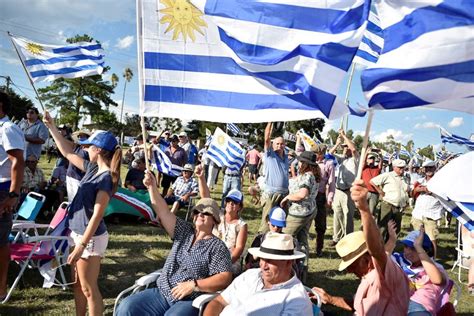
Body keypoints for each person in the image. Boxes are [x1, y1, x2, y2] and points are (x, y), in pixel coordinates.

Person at [116, 171, 233, 316]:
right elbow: (163, 211)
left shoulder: (217, 247)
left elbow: (225, 277)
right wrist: (152, 187)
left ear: (215, 220)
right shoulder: (184, 231)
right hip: (162, 292)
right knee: (126, 307)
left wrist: (194, 285)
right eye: (197, 212)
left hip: (188, 299)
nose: (200, 215)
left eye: (206, 213)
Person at [44, 112, 121, 316]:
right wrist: (52, 127)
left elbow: (97, 216)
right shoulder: (92, 169)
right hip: (78, 232)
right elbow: (68, 153)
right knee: (77, 285)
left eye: (88, 146)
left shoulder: (105, 178)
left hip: (90, 238)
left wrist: (81, 245)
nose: (84, 148)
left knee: (89, 288)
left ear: (98, 149)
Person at [312, 179, 410, 315]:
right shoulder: (369, 275)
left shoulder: (384, 273)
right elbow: (361, 306)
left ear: (367, 259)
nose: (349, 270)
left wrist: (364, 209)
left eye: (352, 264)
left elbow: (377, 250)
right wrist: (330, 299)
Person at [203, 233, 312, 315]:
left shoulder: (297, 300)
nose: (263, 266)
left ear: (288, 262)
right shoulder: (250, 275)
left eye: (270, 261)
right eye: (262, 259)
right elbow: (219, 302)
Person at [386, 223, 448, 315]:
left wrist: (418, 247)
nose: (408, 251)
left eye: (413, 248)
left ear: (425, 250)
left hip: (419, 305)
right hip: (394, 303)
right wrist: (392, 240)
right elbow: (381, 260)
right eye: (406, 247)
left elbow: (438, 280)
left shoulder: (433, 266)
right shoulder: (399, 259)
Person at [0, 91, 25, 301]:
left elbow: (17, 161)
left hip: (3, 190)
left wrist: (13, 194)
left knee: (0, 242)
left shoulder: (8, 128)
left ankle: (0, 288)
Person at [281, 151, 320, 256]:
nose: (298, 163)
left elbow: (303, 194)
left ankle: (284, 262)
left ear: (305, 163)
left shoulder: (307, 176)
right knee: (302, 239)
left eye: (300, 161)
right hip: (311, 210)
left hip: (299, 212)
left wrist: (288, 197)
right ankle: (303, 266)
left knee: (285, 236)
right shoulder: (314, 175)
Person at [329, 129, 359, 246]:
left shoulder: (356, 159)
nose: (345, 148)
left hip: (349, 192)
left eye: (346, 146)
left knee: (348, 216)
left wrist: (344, 136)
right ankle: (336, 238)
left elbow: (354, 149)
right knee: (337, 214)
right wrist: (337, 143)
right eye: (344, 147)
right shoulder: (342, 159)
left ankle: (348, 239)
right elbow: (330, 154)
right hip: (339, 191)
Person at [258, 122, 289, 233]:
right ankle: (262, 240)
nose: (279, 146)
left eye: (281, 144)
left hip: (284, 195)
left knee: (281, 221)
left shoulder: (286, 157)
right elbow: (266, 138)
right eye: (277, 144)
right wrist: (270, 122)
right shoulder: (270, 155)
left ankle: (277, 244)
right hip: (271, 194)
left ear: (284, 145)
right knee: (267, 222)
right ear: (273, 144)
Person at [410, 160, 444, 258]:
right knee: (416, 237)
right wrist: (416, 190)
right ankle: (416, 258)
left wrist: (432, 191)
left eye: (431, 167)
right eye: (427, 168)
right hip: (418, 213)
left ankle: (433, 260)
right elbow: (411, 195)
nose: (429, 170)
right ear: (424, 169)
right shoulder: (419, 181)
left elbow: (445, 196)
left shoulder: (440, 181)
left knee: (431, 238)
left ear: (435, 168)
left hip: (432, 214)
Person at [370, 158, 410, 240]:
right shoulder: (388, 175)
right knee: (382, 227)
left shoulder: (405, 178)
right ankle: (379, 247)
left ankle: (390, 248)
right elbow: (372, 181)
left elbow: (405, 191)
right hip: (387, 205)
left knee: (395, 229)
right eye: (400, 168)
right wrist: (380, 191)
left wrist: (406, 202)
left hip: (399, 207)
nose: (402, 170)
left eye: (403, 168)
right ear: (394, 167)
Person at [214, 189, 248, 275]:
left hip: (230, 259)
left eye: (235, 202)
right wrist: (201, 178)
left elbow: (239, 248)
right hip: (212, 253)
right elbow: (206, 197)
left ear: (240, 207)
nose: (230, 203)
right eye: (228, 201)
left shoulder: (241, 225)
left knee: (224, 273)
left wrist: (225, 263)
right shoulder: (218, 215)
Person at [313, 143, 335, 256]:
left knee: (320, 225)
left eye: (317, 153)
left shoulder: (329, 164)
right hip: (309, 195)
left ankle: (319, 248)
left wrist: (329, 198)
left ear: (322, 153)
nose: (315, 155)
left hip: (321, 196)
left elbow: (331, 182)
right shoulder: (310, 161)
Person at [67, 129, 91, 202]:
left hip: (79, 178)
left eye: (82, 136)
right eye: (79, 136)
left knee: (76, 200)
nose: (80, 138)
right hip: (70, 175)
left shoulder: (89, 150)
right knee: (70, 199)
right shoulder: (77, 147)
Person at [361, 150, 383, 218]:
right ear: (367, 159)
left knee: (371, 212)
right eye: (370, 158)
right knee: (363, 210)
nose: (372, 160)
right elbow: (363, 161)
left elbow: (381, 163)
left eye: (373, 158)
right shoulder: (364, 167)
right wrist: (367, 153)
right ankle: (363, 225)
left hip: (374, 193)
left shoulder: (377, 168)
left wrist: (380, 155)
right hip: (365, 191)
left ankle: (369, 226)